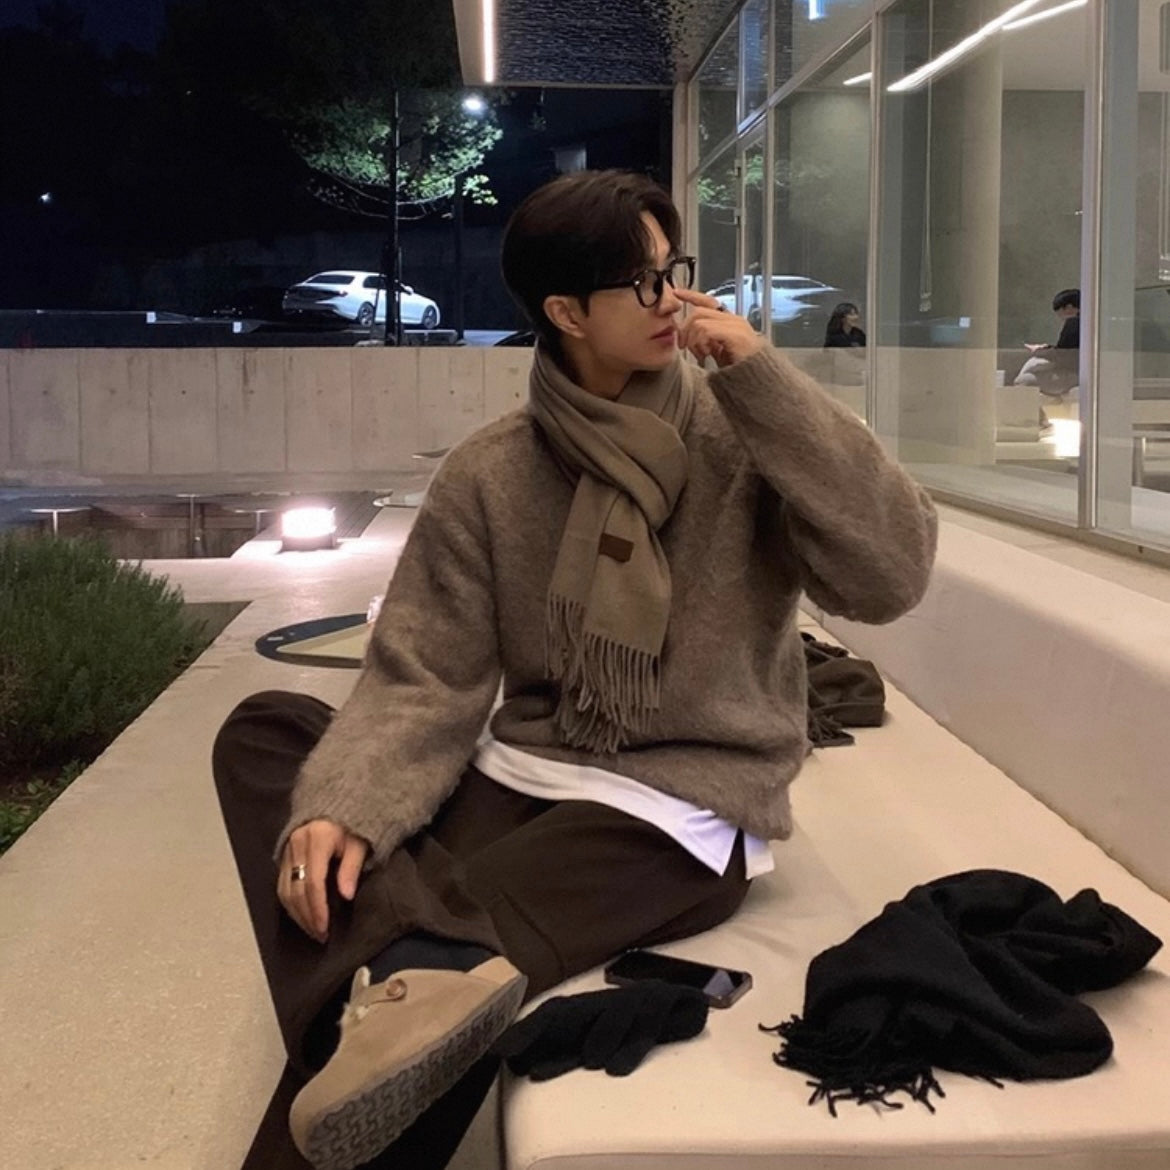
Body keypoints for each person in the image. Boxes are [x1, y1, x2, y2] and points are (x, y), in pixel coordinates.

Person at [212, 170, 938, 1170]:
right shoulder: (492, 470)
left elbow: (892, 575)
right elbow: (425, 673)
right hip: (521, 773)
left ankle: (408, 966)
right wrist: (343, 804)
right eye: (644, 282)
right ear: (566, 313)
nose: (676, 298)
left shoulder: (748, 437)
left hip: (676, 809)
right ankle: (414, 965)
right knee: (266, 734)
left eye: (674, 270)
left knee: (430, 962)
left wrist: (765, 379)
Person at [1013, 288, 1080, 395]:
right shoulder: (1088, 322)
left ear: (1069, 307)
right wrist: (1048, 348)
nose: (1060, 317)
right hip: (1078, 371)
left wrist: (1041, 351)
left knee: (1023, 381)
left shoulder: (1074, 323)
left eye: (1060, 313)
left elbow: (1064, 355)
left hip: (1074, 373)